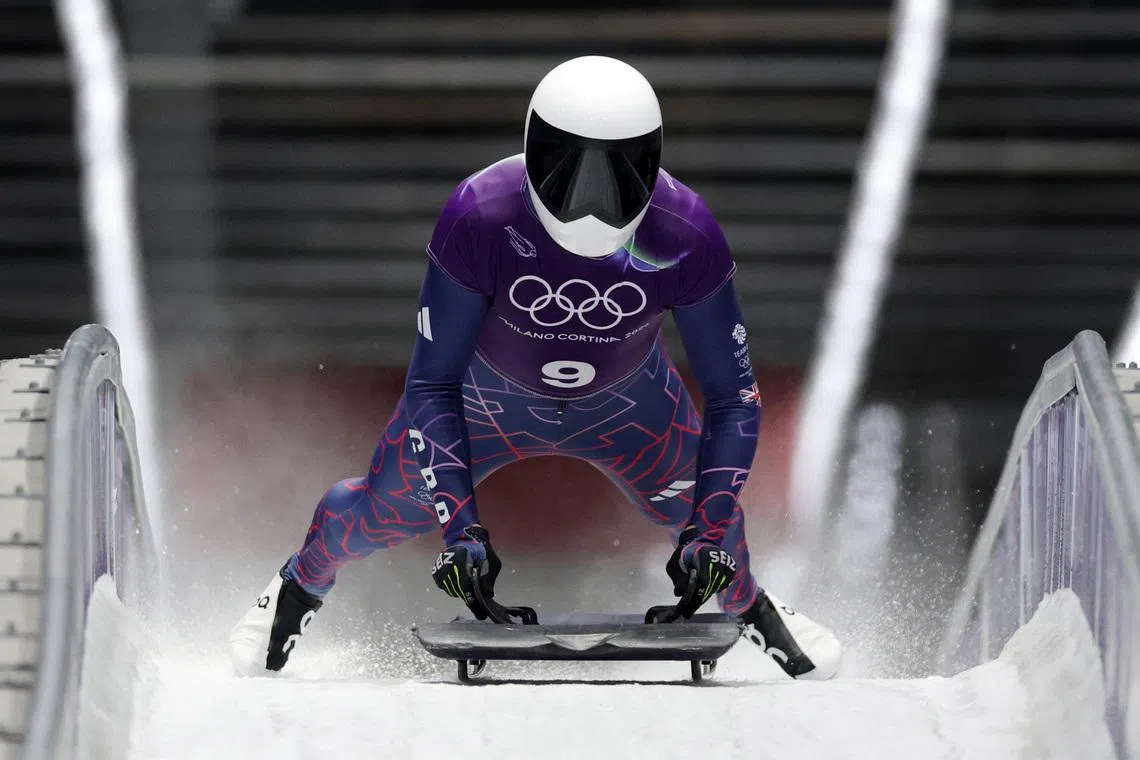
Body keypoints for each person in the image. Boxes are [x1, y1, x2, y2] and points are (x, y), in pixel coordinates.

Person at [229, 55, 842, 680]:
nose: (591, 207)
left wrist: (704, 536)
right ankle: (298, 582)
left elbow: (735, 398)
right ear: (532, 148)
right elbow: (434, 382)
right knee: (380, 511)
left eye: (617, 174)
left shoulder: (688, 231)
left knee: (710, 522)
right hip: (487, 403)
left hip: (628, 408)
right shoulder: (480, 213)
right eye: (571, 172)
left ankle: (748, 601)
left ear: (652, 161)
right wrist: (460, 530)